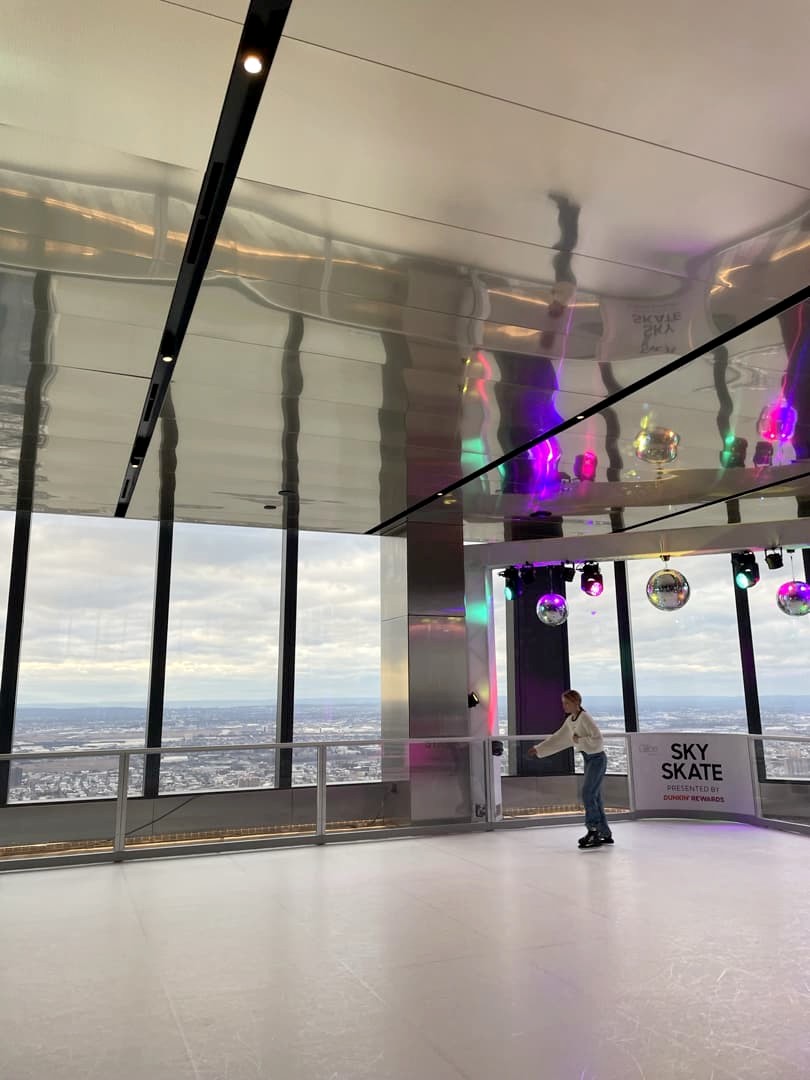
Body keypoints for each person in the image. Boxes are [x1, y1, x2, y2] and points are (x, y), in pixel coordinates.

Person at [527, 690, 614, 849]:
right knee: (594, 795)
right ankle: (604, 833)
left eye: (566, 703)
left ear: (576, 703)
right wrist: (539, 749)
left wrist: (578, 740)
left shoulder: (585, 718)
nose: (564, 706)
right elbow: (558, 737)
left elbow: (598, 739)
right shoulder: (570, 720)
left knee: (588, 793)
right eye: (563, 703)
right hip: (589, 759)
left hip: (597, 759)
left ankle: (593, 830)